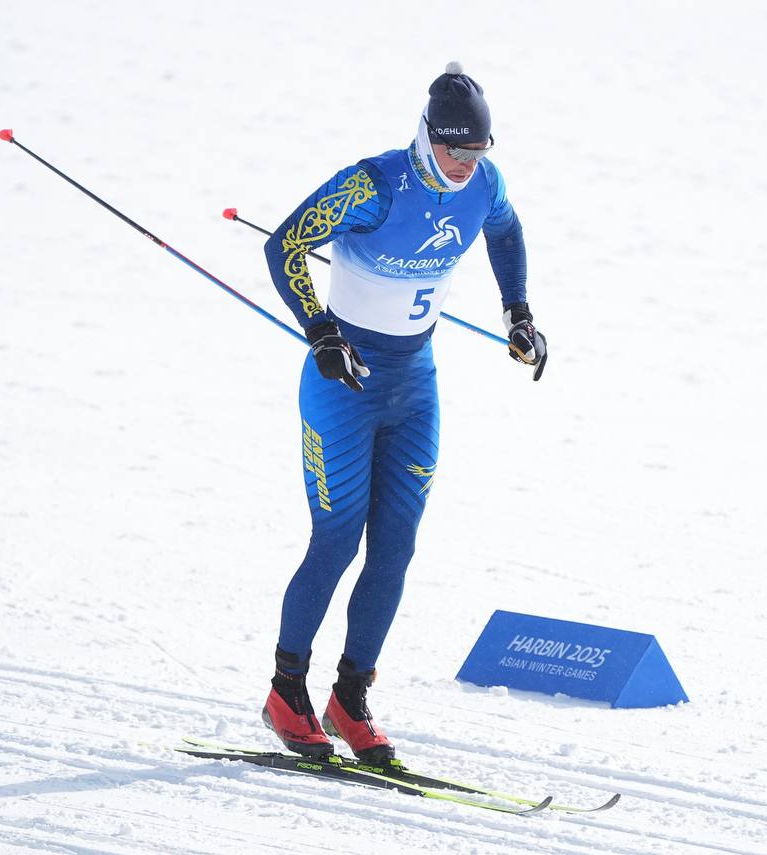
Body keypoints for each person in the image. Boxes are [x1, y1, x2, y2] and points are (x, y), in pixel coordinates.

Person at [260, 62, 548, 763]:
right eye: (454, 150)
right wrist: (321, 333)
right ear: (427, 137)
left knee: (395, 545)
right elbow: (285, 243)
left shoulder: (484, 184)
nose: (464, 165)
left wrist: (518, 312)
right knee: (336, 540)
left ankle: (349, 697)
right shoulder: (374, 184)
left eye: (476, 152)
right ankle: (286, 692)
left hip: (415, 385)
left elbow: (506, 230)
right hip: (344, 384)